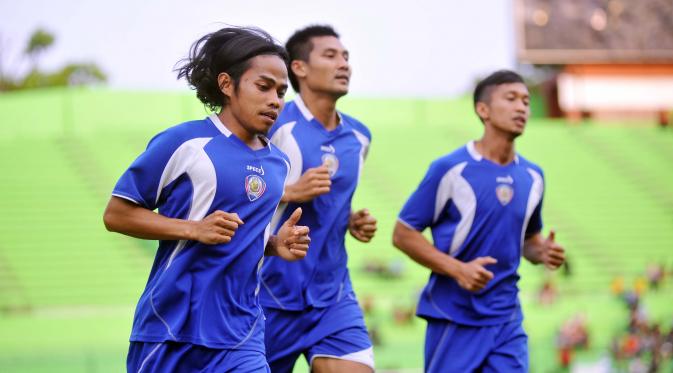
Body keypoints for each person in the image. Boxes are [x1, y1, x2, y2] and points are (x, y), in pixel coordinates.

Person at [102, 26, 311, 372]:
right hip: (171, 331)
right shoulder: (185, 143)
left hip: (242, 335)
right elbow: (116, 214)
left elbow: (243, 234)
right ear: (227, 85)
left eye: (281, 91)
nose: (275, 99)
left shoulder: (279, 163)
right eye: (263, 86)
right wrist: (192, 229)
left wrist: (273, 244)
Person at [392, 70, 566, 372]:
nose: (522, 107)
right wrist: (458, 270)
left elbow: (529, 241)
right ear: (482, 110)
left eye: (526, 101)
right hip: (454, 315)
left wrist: (542, 252)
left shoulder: (533, 176)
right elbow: (403, 234)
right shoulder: (450, 169)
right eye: (510, 99)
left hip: (507, 317)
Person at [259, 25, 376, 373]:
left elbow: (333, 201)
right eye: (330, 55)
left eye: (346, 57)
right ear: (299, 68)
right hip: (267, 295)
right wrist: (290, 192)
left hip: (332, 295)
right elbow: (237, 189)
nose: (344, 64)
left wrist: (351, 217)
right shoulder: (272, 124)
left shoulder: (359, 136)